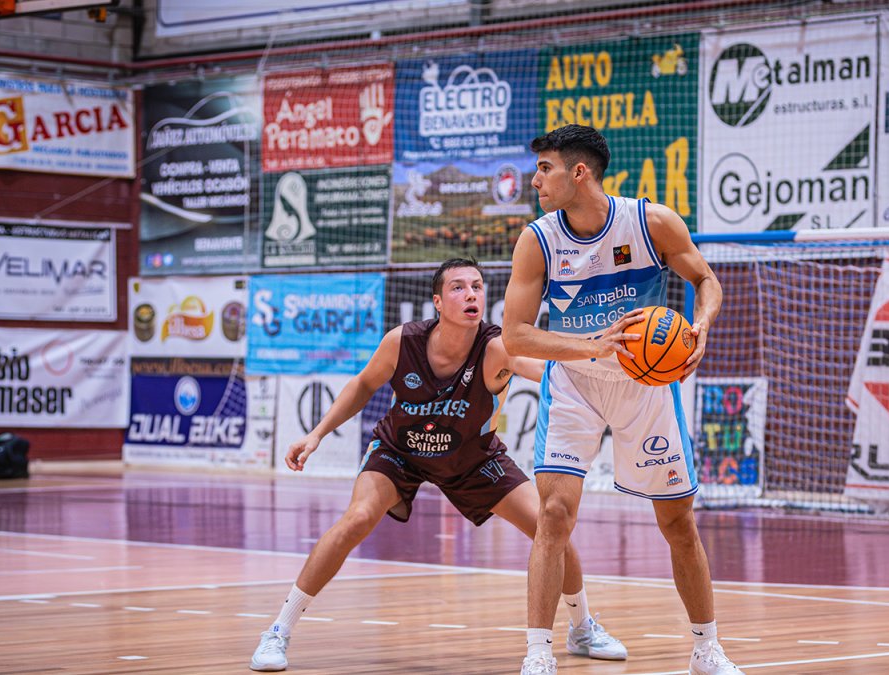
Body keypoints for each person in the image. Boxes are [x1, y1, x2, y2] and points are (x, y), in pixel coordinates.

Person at [249, 258, 627, 672]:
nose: (471, 294)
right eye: (459, 288)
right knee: (356, 519)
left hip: (473, 458)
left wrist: (602, 363)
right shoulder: (402, 342)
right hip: (401, 453)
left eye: (478, 287)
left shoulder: (497, 345)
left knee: (551, 525)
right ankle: (278, 632)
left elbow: (544, 370)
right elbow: (361, 384)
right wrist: (317, 434)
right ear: (437, 302)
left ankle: (582, 628)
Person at [504, 125, 742, 675]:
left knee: (678, 523)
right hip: (574, 385)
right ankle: (539, 653)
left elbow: (706, 280)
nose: (536, 180)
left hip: (647, 385)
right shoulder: (536, 239)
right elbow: (515, 334)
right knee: (554, 515)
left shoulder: (651, 222)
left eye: (545, 168)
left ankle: (706, 649)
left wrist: (699, 325)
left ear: (578, 172)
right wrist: (590, 345)